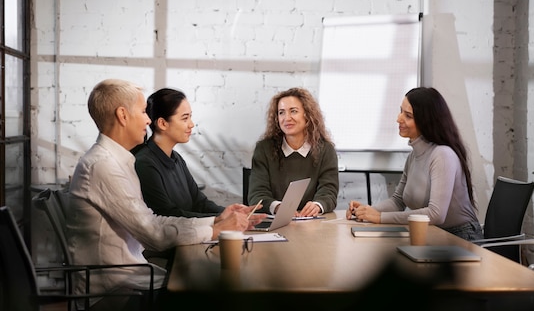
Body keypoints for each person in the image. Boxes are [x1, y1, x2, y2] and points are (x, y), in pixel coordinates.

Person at [66, 79, 263, 311]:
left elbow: (154, 222)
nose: (148, 120)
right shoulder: (104, 166)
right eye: (141, 112)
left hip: (131, 280)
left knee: (216, 287)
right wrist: (216, 229)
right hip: (116, 293)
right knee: (220, 297)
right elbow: (155, 235)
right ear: (123, 115)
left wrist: (217, 223)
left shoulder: (118, 161)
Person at [346, 87, 483, 241]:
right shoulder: (414, 156)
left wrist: (380, 217)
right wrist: (367, 210)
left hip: (461, 238)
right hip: (434, 234)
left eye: (408, 116)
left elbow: (436, 214)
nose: (399, 119)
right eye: (400, 111)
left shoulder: (443, 155)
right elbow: (398, 201)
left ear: (426, 121)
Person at [133, 87, 227, 218]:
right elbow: (168, 214)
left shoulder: (176, 158)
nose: (191, 124)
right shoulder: (145, 163)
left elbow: (199, 202)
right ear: (162, 123)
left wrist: (229, 212)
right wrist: (219, 219)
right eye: (185, 118)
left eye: (190, 117)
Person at [248, 87, 339, 217]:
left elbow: (329, 191)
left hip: (313, 223)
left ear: (307, 115)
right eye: (281, 113)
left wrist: (318, 205)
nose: (287, 118)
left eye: (293, 111)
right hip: (274, 223)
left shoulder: (325, 150)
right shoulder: (264, 149)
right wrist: (278, 207)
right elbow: (257, 194)